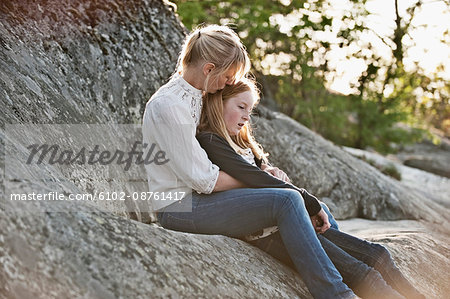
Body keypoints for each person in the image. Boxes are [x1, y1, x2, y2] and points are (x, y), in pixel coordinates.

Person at [144, 24, 356, 299]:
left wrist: (260, 171)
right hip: (180, 207)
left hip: (207, 199)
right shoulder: (170, 106)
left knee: (310, 206)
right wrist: (259, 180)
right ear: (209, 69)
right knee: (287, 200)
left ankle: (357, 272)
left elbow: (224, 149)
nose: (231, 83)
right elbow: (204, 179)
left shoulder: (199, 93)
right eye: (229, 76)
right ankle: (336, 293)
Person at [195, 78, 426, 299]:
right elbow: (252, 177)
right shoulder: (212, 140)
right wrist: (308, 201)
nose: (247, 116)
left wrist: (271, 170)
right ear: (218, 102)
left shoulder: (241, 142)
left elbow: (261, 171)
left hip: (291, 221)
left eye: (250, 109)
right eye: (241, 106)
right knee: (362, 273)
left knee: (379, 255)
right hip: (270, 231)